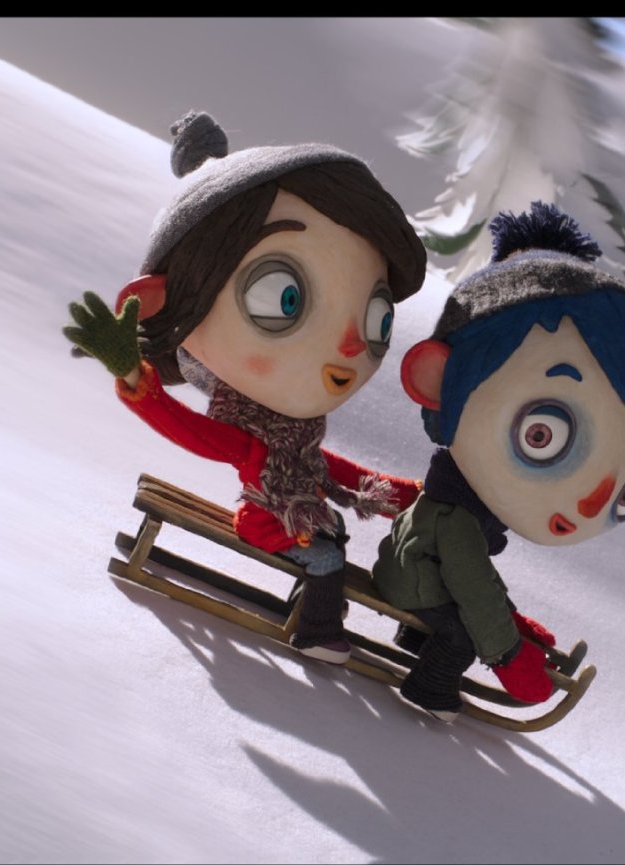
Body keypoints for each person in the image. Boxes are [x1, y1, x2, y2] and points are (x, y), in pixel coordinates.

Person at [64, 110, 426, 664]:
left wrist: (403, 493)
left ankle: (313, 605)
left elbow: (331, 470)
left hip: (296, 516)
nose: (351, 346)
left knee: (331, 536)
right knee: (327, 558)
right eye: (283, 298)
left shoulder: (294, 438)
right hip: (267, 521)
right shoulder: (254, 440)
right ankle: (318, 631)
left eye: (376, 318)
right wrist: (137, 380)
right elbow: (190, 431)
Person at [373, 202, 625, 721]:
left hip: (417, 573)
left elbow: (475, 579)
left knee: (463, 608)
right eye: (543, 435)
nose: (592, 502)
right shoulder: (457, 519)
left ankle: (416, 640)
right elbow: (475, 589)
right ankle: (431, 690)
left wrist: (514, 626)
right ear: (438, 381)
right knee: (463, 633)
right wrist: (507, 654)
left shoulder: (459, 505)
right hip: (412, 581)